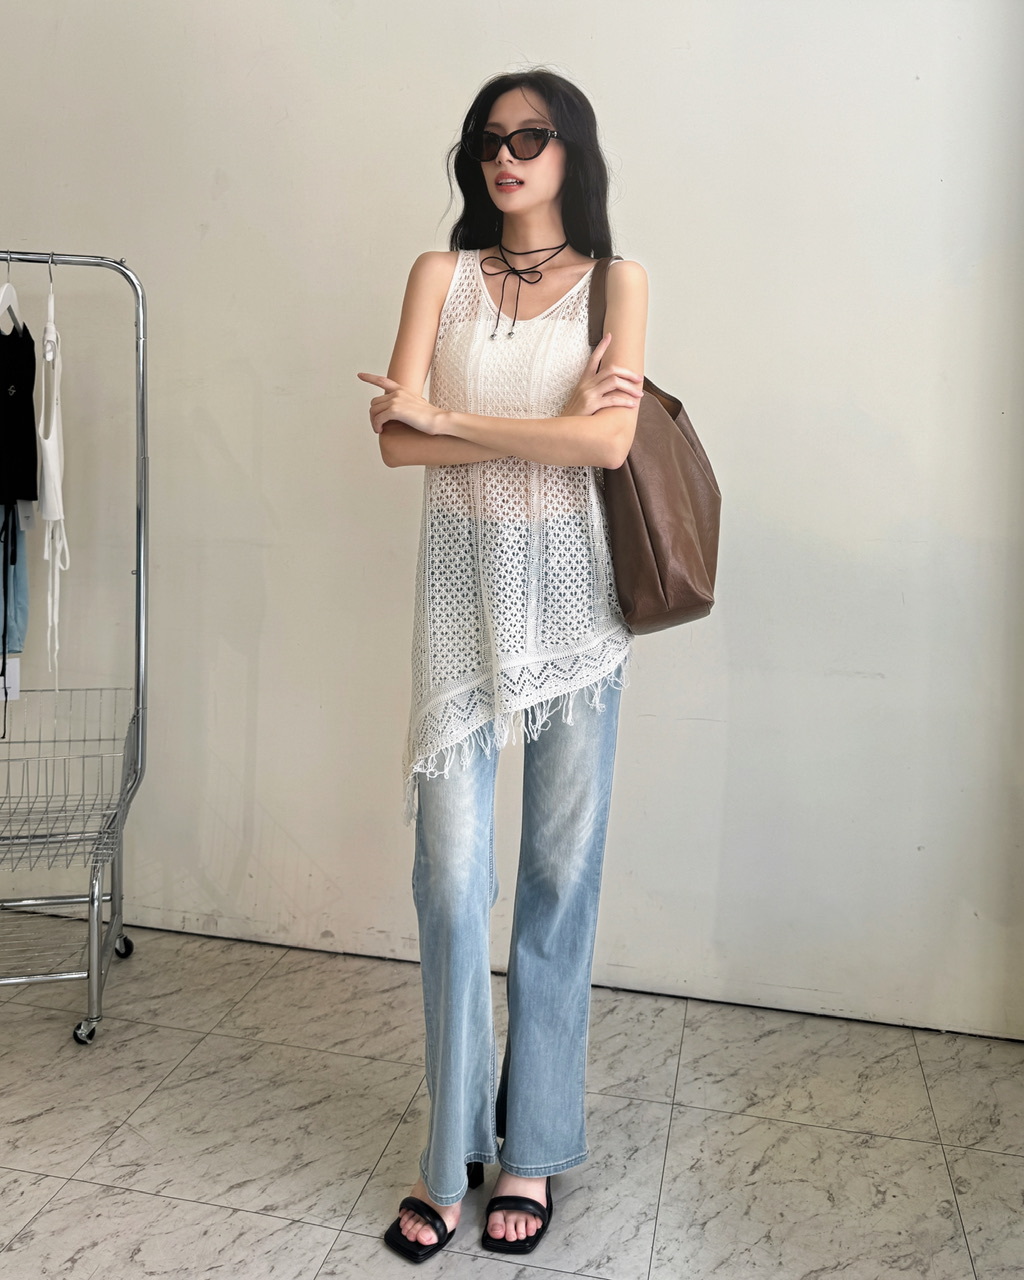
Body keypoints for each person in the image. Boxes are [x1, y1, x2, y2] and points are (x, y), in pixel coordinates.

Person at [358, 67, 648, 1264]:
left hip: (576, 619)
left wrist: (452, 421)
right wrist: (522, 430)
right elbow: (392, 443)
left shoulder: (617, 283)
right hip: (458, 613)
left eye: (531, 136)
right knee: (448, 879)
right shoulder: (440, 274)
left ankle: (529, 1145)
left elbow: (610, 442)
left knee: (556, 881)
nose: (507, 155)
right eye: (489, 138)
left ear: (572, 150)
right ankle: (449, 1153)